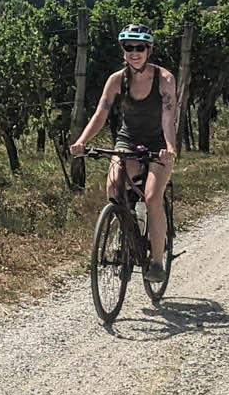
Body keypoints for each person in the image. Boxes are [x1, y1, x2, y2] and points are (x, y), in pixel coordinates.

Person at [69, 23, 177, 281]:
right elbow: (101, 113)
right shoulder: (117, 80)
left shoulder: (165, 79)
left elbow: (168, 117)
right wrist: (82, 141)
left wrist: (170, 147)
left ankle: (157, 261)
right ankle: (125, 233)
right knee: (114, 189)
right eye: (129, 47)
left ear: (149, 49)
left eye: (140, 47)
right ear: (123, 50)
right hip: (128, 140)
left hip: (158, 143)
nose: (134, 52)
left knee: (152, 197)